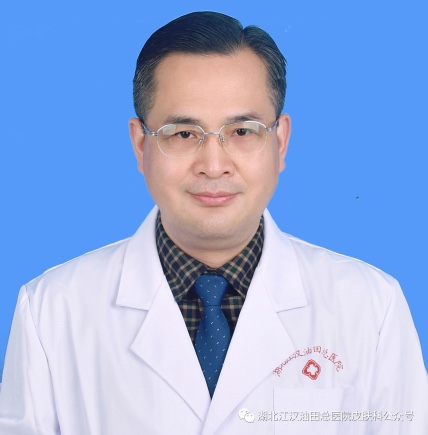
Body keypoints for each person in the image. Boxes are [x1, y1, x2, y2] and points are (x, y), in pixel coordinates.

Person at [0, 10, 427, 435]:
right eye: (183, 134)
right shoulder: (51, 310)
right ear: (140, 144)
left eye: (242, 131)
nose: (214, 164)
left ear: (280, 142)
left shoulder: (371, 307)